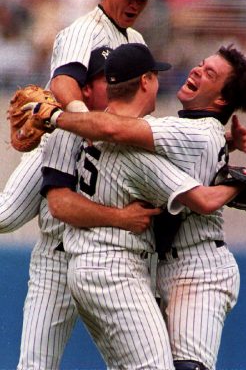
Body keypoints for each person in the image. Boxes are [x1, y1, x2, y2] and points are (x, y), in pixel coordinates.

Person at [37, 43, 246, 370]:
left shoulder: (189, 133)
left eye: (209, 72)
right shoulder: (186, 132)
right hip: (157, 268)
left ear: (222, 99)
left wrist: (54, 116)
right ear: (145, 82)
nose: (196, 70)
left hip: (199, 268)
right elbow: (170, 147)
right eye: (200, 63)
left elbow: (116, 129)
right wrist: (229, 151)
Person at [1, 47, 160, 370]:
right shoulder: (59, 136)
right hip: (57, 263)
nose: (116, 85)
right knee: (36, 366)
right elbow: (7, 215)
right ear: (85, 90)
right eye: (106, 80)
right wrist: (121, 218)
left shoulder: (136, 129)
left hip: (117, 264)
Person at [48, 0, 159, 108]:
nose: (135, 5)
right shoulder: (83, 30)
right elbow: (62, 82)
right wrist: (84, 121)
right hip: (73, 129)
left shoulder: (137, 39)